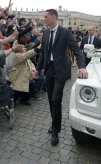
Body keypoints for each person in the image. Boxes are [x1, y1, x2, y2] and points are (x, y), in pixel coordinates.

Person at [35, 9, 88, 146]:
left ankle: (55, 131)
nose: (44, 19)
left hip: (61, 70)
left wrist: (82, 66)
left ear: (53, 17)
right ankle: (55, 124)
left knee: (56, 98)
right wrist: (37, 69)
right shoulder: (46, 33)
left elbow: (76, 49)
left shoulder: (65, 32)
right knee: (50, 98)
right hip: (49, 69)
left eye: (46, 17)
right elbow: (42, 53)